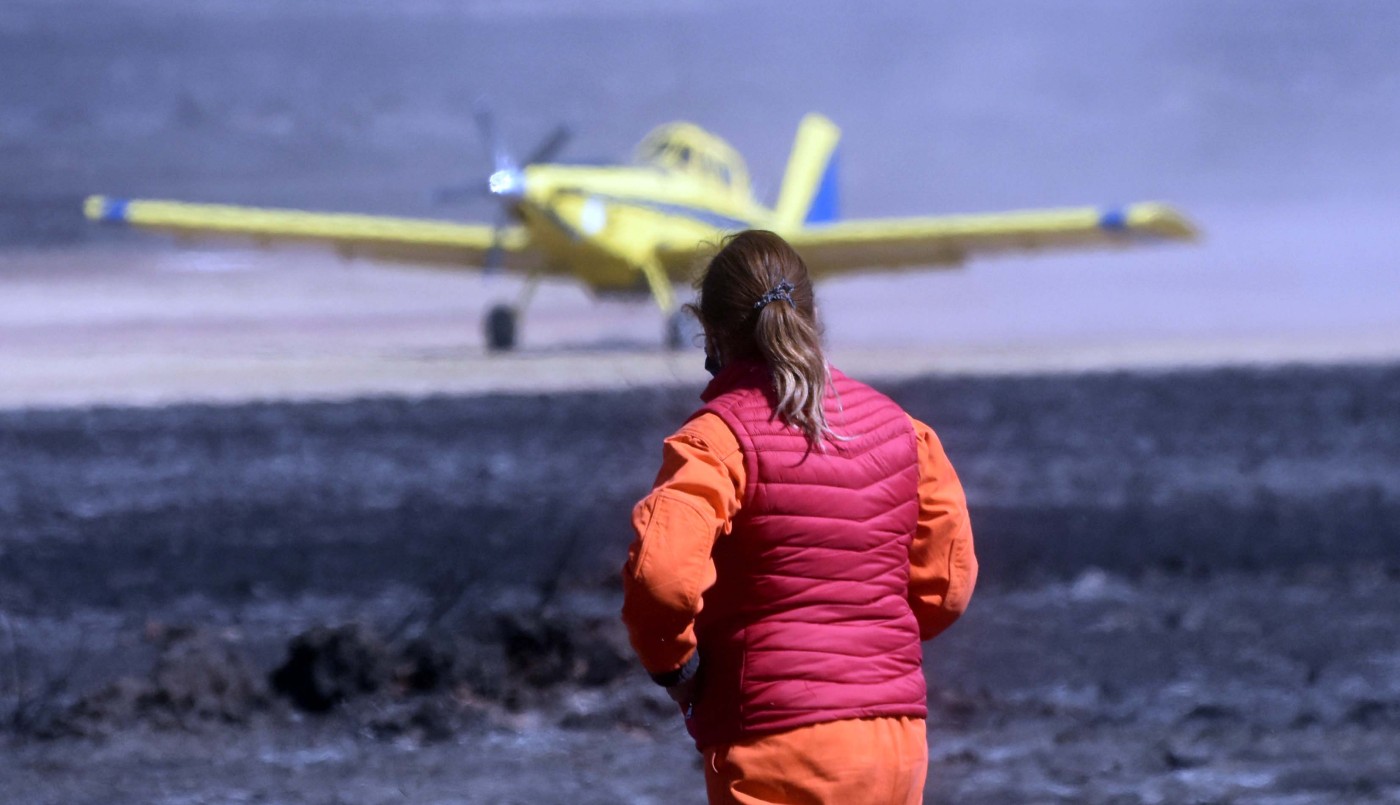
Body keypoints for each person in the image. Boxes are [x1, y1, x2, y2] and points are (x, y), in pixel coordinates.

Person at [621, 230, 978, 805]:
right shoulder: (907, 433)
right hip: (896, 745)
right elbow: (945, 592)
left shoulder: (716, 441)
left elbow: (658, 579)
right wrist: (865, 641)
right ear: (811, 316)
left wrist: (675, 669)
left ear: (710, 333)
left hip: (773, 741)